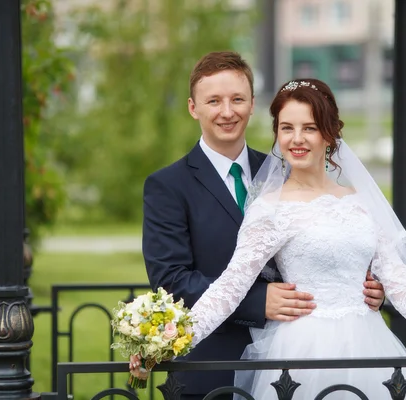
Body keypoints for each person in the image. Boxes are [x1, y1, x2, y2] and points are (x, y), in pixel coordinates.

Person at [140, 53, 386, 399]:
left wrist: (369, 287)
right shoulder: (167, 186)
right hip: (214, 367)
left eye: (237, 99)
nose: (228, 112)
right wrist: (258, 301)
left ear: (252, 104)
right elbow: (171, 280)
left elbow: (329, 242)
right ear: (193, 107)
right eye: (214, 101)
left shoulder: (287, 167)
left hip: (302, 360)